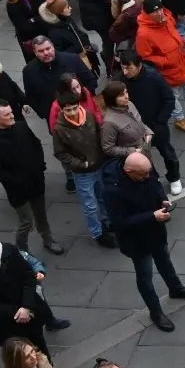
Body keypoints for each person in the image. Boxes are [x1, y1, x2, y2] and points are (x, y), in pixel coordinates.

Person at [101, 153, 185, 333]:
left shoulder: (145, 169)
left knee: (165, 260)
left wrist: (162, 199)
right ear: (129, 171)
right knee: (145, 276)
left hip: (155, 231)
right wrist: (152, 216)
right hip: (137, 241)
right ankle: (155, 312)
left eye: (148, 172)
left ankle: (176, 288)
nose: (147, 176)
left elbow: (154, 184)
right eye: (143, 174)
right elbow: (119, 222)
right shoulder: (113, 190)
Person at [0, 224, 71, 368]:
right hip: (5, 320)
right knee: (18, 353)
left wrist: (26, 306)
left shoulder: (8, 250)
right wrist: (16, 312)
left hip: (28, 307)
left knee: (38, 341)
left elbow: (28, 276)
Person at [0, 99, 64, 255]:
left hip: (36, 181)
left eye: (11, 112)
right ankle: (21, 248)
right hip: (17, 190)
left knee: (41, 215)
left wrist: (40, 165)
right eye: (7, 114)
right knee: (26, 221)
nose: (12, 115)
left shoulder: (20, 127)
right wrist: (17, 181)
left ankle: (48, 240)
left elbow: (36, 143)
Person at [49, 88, 115, 248]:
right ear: (62, 109)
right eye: (67, 109)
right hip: (82, 172)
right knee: (90, 205)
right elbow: (60, 153)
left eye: (74, 108)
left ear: (79, 105)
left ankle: (108, 222)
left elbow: (100, 135)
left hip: (99, 164)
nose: (72, 112)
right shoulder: (60, 129)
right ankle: (97, 233)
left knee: (103, 196)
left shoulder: (89, 116)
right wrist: (80, 164)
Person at [135, 0, 185, 130]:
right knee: (173, 96)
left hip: (182, 63)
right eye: (155, 12)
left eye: (160, 9)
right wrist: (165, 61)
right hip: (168, 70)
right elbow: (144, 56)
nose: (159, 13)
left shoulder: (166, 18)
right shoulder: (144, 33)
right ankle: (179, 119)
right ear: (147, 13)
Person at [114, 51, 183, 195]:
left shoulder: (154, 77)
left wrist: (160, 121)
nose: (125, 72)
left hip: (156, 124)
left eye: (129, 68)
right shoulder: (121, 80)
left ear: (139, 66)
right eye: (123, 67)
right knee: (142, 155)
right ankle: (152, 178)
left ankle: (174, 177)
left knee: (167, 151)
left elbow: (169, 99)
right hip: (136, 127)